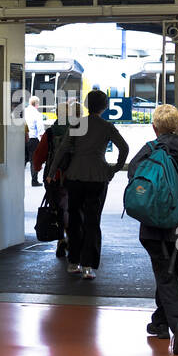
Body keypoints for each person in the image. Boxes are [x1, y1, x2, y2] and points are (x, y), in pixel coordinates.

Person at [127, 103, 178, 355]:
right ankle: (161, 322)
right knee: (172, 270)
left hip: (154, 226)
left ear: (155, 128)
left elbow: (133, 176)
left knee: (164, 274)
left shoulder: (149, 150)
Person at [49, 89, 128, 280]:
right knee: (93, 222)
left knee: (75, 219)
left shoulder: (78, 124)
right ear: (105, 107)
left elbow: (62, 150)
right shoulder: (107, 126)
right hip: (98, 178)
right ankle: (87, 266)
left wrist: (52, 173)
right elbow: (124, 148)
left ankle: (73, 262)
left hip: (74, 176)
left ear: (86, 105)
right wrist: (113, 168)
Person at [31, 99, 79, 258]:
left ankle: (61, 240)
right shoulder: (77, 131)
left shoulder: (50, 133)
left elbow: (39, 154)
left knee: (58, 209)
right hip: (73, 176)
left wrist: (37, 169)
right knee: (72, 208)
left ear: (58, 114)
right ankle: (72, 238)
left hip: (53, 179)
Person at [23, 98, 45, 186]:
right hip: (33, 140)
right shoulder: (37, 114)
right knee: (33, 160)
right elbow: (40, 129)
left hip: (24, 138)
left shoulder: (24, 111)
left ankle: (17, 181)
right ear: (36, 104)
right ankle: (34, 181)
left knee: (23, 160)